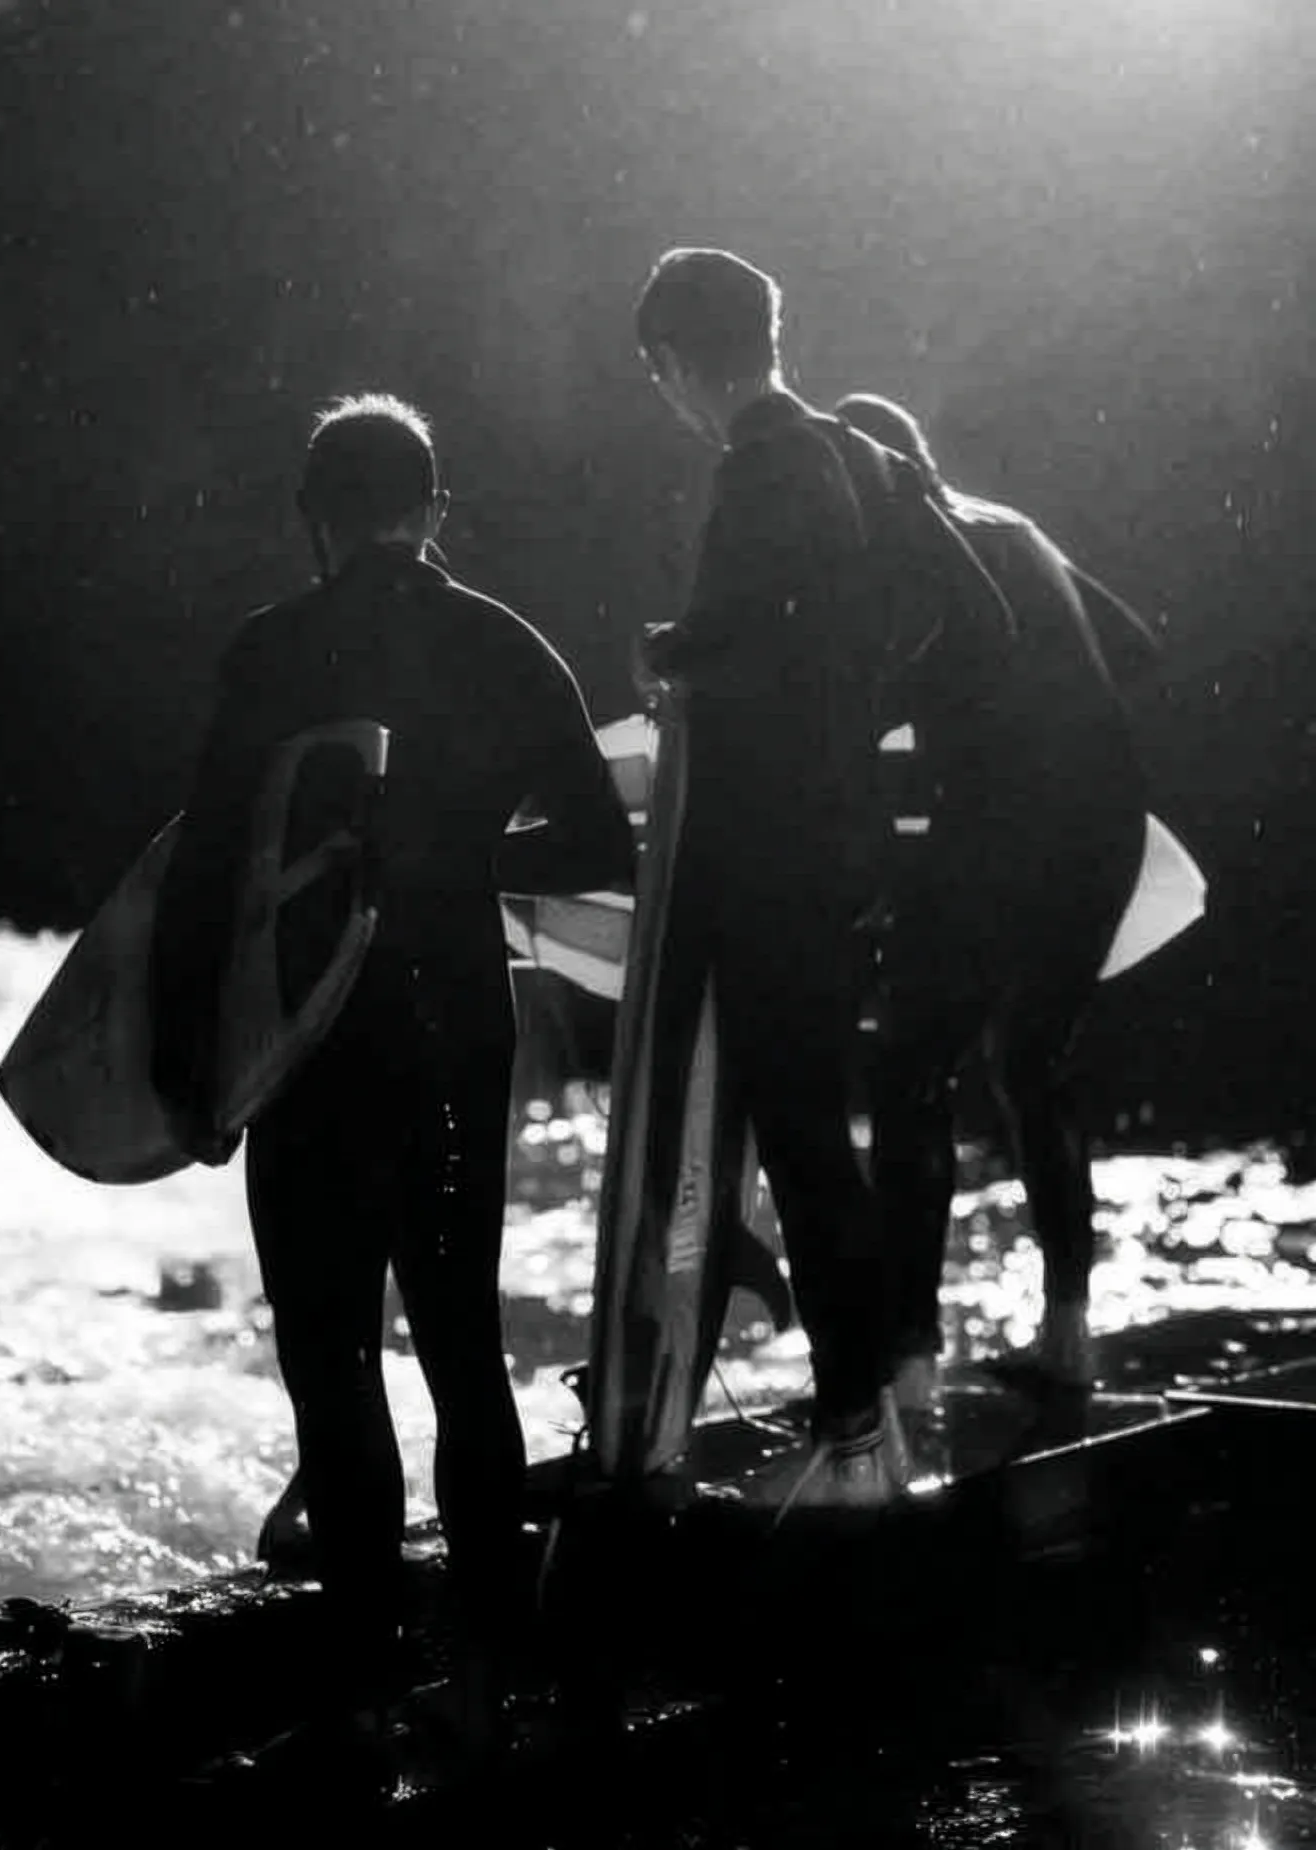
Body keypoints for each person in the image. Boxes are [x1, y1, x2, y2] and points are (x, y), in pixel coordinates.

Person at [147, 394, 635, 1745]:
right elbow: (603, 848)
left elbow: (204, 874)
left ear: (314, 518)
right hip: (461, 1026)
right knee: (463, 1340)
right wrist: (464, 857)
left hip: (319, 1037)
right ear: (433, 510)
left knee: (331, 1347)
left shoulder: (274, 650)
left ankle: (364, 1663)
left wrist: (189, 1064)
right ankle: (501, 1654)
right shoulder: (507, 645)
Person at [630, 249, 1012, 1510]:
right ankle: (866, 1419)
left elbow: (740, 645)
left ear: (683, 363)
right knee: (808, 1133)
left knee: (799, 1140)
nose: (671, 403)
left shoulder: (757, 473)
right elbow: (977, 611)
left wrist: (672, 653)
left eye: (664, 377)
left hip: (769, 852)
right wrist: (860, 702)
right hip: (848, 845)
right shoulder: (863, 454)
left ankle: (854, 1438)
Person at [834, 392, 1157, 1403]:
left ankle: (911, 1363)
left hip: (997, 840)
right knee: (1031, 1060)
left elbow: (868, 701)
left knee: (904, 1075)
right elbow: (1138, 648)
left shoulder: (898, 551)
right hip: (1106, 831)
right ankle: (1069, 1338)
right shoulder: (1011, 527)